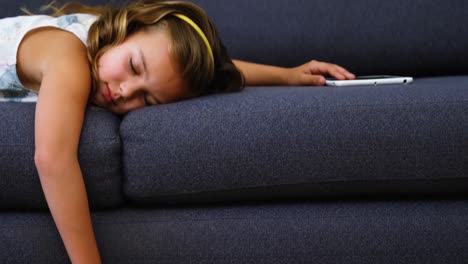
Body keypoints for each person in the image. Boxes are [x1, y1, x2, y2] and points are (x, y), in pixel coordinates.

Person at [0, 0, 355, 262]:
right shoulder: (70, 57)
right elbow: (53, 158)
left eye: (148, 99)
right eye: (133, 67)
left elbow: (214, 72)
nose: (124, 92)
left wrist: (290, 75)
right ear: (126, 28)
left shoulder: (118, 49)